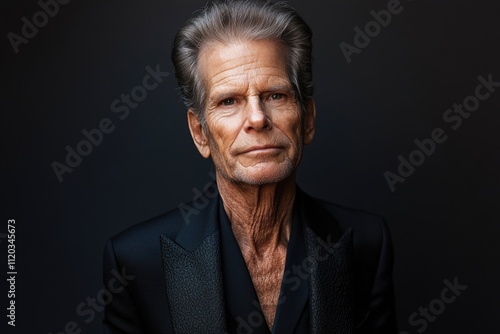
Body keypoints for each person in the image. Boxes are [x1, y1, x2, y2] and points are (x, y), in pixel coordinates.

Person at [102, 1, 397, 333]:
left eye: (275, 95)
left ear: (308, 120)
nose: (257, 118)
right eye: (229, 101)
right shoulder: (137, 262)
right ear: (200, 133)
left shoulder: (365, 244)